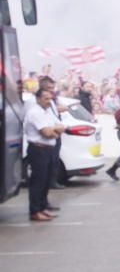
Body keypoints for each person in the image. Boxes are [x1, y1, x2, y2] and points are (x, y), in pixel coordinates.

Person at [24, 88, 64, 222]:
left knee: (46, 181)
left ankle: (42, 208)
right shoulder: (34, 112)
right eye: (46, 98)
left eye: (50, 98)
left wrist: (54, 130)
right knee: (38, 181)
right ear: (38, 99)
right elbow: (46, 132)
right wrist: (54, 130)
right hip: (38, 149)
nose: (49, 101)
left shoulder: (47, 111)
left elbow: (60, 127)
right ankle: (34, 211)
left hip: (49, 149)